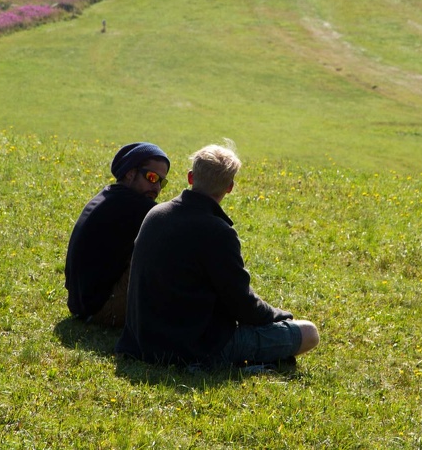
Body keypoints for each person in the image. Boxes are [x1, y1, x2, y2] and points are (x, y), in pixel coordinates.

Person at [116, 141, 319, 367]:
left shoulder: (156, 214)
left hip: (142, 343)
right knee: (309, 333)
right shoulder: (218, 232)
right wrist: (280, 315)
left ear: (191, 177)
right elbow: (243, 306)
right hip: (192, 349)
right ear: (230, 187)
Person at [64, 142, 170, 327]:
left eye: (162, 182)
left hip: (82, 305)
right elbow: (179, 222)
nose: (157, 188)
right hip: (103, 310)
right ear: (130, 173)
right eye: (152, 177)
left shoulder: (110, 197)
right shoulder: (132, 205)